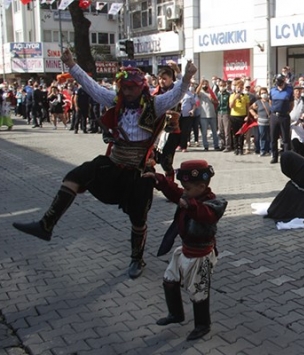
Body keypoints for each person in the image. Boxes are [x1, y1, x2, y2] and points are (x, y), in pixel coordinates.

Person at [12, 48, 196, 279]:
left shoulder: (155, 104)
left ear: (141, 88)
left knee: (139, 218)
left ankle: (137, 259)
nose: (127, 92)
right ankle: (46, 224)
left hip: (140, 170)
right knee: (74, 177)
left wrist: (187, 77)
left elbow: (177, 95)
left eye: (131, 88)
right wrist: (71, 65)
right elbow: (92, 87)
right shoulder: (115, 100)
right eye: (124, 88)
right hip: (113, 163)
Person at [143, 160, 227, 341]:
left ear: (202, 186)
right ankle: (176, 314)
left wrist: (189, 205)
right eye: (185, 188)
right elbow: (175, 192)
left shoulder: (214, 204)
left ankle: (203, 325)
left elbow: (205, 214)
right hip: (185, 250)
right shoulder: (190, 196)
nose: (185, 191)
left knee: (199, 292)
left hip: (201, 255)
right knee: (169, 281)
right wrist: (158, 179)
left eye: (187, 188)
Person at [266, 151, 304, 222]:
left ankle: (280, 210)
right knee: (289, 188)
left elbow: (303, 184)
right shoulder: (302, 164)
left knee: (289, 191)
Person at [269, 74, 294, 164]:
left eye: (279, 80)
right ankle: (274, 157)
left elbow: (291, 104)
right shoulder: (272, 90)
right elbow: (271, 102)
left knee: (285, 138)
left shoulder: (289, 90)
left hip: (284, 116)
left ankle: (287, 158)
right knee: (273, 137)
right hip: (274, 116)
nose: (277, 82)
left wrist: (287, 112)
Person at [196, 78, 220, 151]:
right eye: (203, 84)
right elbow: (196, 92)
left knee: (214, 132)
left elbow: (217, 102)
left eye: (206, 84)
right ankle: (206, 146)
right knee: (204, 132)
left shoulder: (211, 92)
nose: (205, 85)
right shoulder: (201, 93)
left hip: (212, 115)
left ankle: (216, 145)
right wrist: (200, 84)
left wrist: (212, 100)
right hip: (203, 115)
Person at [228, 80, 249, 155]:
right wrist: (235, 98)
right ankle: (236, 148)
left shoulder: (245, 96)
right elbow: (231, 106)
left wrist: (247, 116)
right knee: (235, 133)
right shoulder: (232, 96)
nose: (239, 88)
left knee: (242, 133)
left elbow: (247, 107)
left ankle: (241, 148)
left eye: (241, 87)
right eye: (238, 87)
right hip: (234, 116)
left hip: (242, 116)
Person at [249, 87, 272, 156]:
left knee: (270, 136)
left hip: (270, 122)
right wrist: (255, 115)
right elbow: (250, 108)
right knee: (263, 136)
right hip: (261, 122)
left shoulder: (270, 101)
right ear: (259, 95)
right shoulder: (258, 102)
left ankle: (270, 150)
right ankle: (263, 150)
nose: (264, 94)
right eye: (262, 93)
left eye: (265, 93)